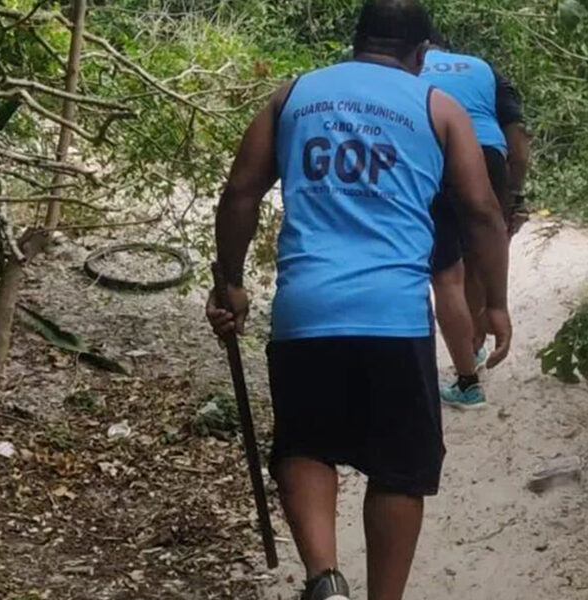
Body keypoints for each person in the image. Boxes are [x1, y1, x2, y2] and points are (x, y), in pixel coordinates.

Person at [204, 2, 511, 599]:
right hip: (393, 314)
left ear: (356, 41)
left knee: (305, 444)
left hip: (305, 309)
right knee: (400, 467)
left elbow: (239, 191)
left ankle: (325, 580)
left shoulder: (292, 94)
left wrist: (230, 279)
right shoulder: (438, 107)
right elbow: (480, 211)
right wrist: (494, 302)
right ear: (421, 55)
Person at [422, 32, 531, 410]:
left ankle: (467, 381)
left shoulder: (408, 65)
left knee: (447, 273)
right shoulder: (486, 71)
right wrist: (514, 197)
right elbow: (518, 143)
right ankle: (478, 344)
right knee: (481, 257)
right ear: (448, 48)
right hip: (489, 155)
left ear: (422, 47)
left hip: (434, 154)